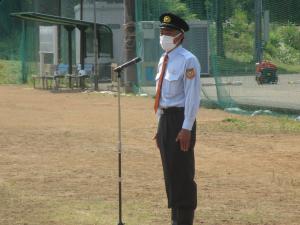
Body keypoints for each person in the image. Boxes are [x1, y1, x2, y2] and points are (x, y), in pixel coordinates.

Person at [154, 12, 201, 225]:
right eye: (163, 31)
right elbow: (161, 96)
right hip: (165, 120)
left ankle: (184, 222)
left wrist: (187, 128)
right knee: (170, 173)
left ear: (180, 36)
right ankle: (175, 220)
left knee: (182, 174)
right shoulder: (163, 60)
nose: (164, 35)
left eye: (169, 32)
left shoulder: (188, 60)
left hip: (180, 120)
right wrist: (159, 126)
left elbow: (192, 97)